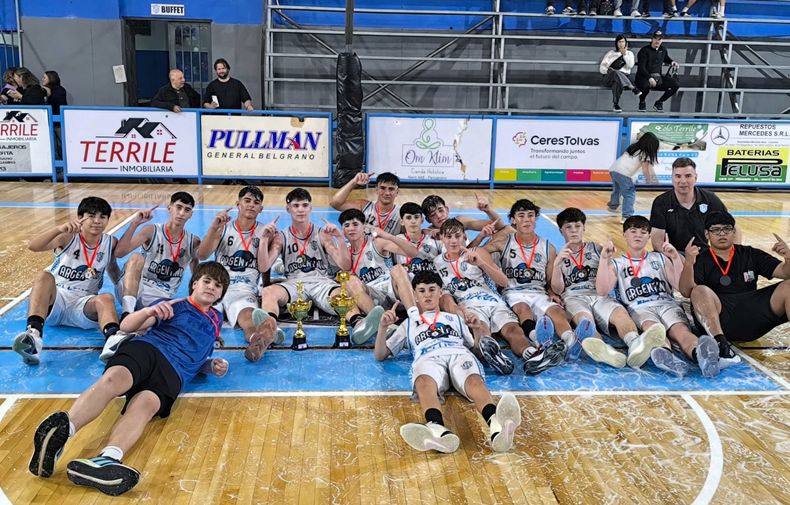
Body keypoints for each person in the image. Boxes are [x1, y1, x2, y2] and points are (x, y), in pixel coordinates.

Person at [27, 261, 231, 496]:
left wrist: (210, 366)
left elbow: (197, 357)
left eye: (218, 285)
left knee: (145, 407)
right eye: (207, 281)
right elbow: (126, 325)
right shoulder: (175, 305)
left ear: (221, 294)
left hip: (176, 373)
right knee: (113, 380)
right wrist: (149, 311)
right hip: (150, 350)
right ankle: (63, 430)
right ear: (194, 284)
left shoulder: (216, 321)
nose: (211, 287)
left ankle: (107, 459)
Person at [374, 271, 522, 454]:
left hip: (458, 353)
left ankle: (496, 425)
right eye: (422, 291)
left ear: (440, 292)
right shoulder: (409, 324)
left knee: (473, 381)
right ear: (415, 296)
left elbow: (476, 351)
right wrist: (382, 327)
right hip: (428, 357)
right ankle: (437, 429)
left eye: (432, 289)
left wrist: (477, 331)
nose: (427, 295)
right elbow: (380, 354)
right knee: (423, 382)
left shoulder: (456, 319)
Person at [252, 188, 385, 350]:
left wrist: (339, 237)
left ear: (310, 208)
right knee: (268, 292)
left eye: (304, 205)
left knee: (342, 294)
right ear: (288, 209)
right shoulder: (281, 236)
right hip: (294, 284)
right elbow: (264, 266)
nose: (300, 209)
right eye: (296, 206)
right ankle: (270, 327)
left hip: (322, 282)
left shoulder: (323, 234)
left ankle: (358, 324)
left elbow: (345, 265)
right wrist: (264, 239)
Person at [596, 216, 721, 378]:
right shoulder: (617, 263)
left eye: (643, 232)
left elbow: (680, 286)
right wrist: (603, 259)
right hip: (639, 308)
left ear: (649, 236)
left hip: (667, 304)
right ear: (624, 235)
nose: (638, 235)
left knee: (680, 331)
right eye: (633, 231)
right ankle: (665, 355)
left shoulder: (660, 258)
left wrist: (675, 258)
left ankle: (701, 354)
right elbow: (602, 290)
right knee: (653, 330)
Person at [12, 197, 125, 366]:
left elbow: (113, 269)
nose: (97, 221)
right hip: (57, 300)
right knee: (44, 276)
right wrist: (58, 229)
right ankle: (34, 337)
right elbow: (33, 246)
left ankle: (112, 341)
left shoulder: (110, 242)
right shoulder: (68, 237)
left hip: (84, 304)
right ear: (80, 217)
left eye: (102, 217)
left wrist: (128, 300)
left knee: (106, 298)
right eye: (91, 216)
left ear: (108, 219)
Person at [551, 208, 667, 368]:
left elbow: (610, 275)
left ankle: (635, 344)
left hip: (600, 295)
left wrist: (607, 256)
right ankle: (604, 350)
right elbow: (557, 289)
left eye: (577, 226)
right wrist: (557, 265)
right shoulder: (558, 255)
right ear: (560, 231)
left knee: (620, 313)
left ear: (584, 228)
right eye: (568, 227)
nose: (573, 230)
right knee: (585, 321)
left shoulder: (597, 248)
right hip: (574, 297)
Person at [484, 200, 587, 369]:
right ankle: (539, 340)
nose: (526, 220)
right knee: (523, 309)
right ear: (513, 220)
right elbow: (477, 252)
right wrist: (483, 239)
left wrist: (552, 292)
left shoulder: (548, 248)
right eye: (521, 215)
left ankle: (570, 341)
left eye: (530, 215)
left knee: (557, 312)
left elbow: (550, 279)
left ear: (536, 218)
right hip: (513, 292)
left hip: (538, 292)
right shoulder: (503, 243)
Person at [680, 211, 789, 357]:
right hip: (720, 319)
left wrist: (788, 258)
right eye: (715, 230)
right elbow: (686, 292)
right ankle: (720, 343)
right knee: (699, 291)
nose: (722, 234)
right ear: (707, 234)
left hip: (752, 314)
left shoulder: (750, 253)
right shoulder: (700, 259)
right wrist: (688, 263)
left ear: (734, 232)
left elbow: (785, 273)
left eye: (727, 229)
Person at [197, 186, 278, 361]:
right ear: (238, 204)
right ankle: (196, 342)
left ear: (261, 208)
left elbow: (265, 266)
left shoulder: (265, 232)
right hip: (217, 285)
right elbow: (202, 255)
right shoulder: (223, 228)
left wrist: (266, 286)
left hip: (244, 288)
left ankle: (256, 342)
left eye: (256, 202)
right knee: (201, 319)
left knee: (248, 319)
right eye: (247, 201)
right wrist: (213, 228)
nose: (251, 205)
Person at [433, 218, 521, 376]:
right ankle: (495, 357)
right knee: (482, 331)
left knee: (514, 331)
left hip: (493, 301)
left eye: (457, 236)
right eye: (449, 236)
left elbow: (503, 282)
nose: (453, 241)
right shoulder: (437, 263)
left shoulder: (477, 252)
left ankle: (533, 354)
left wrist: (481, 263)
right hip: (470, 306)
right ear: (442, 238)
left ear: (464, 237)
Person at [337, 208, 421, 344]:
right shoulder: (344, 251)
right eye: (346, 225)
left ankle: (415, 318)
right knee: (348, 279)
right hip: (372, 296)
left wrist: (387, 235)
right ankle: (381, 322)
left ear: (364, 227)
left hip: (393, 289)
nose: (351, 228)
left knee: (398, 269)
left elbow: (413, 252)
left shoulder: (377, 242)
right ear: (342, 229)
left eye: (355, 224)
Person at [111, 192, 200, 319]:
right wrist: (135, 223)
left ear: (191, 214)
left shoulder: (193, 241)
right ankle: (127, 314)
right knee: (136, 257)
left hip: (161, 298)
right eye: (178, 207)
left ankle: (136, 319)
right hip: (134, 290)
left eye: (187, 210)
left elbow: (197, 271)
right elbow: (119, 253)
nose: (181, 213)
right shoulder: (152, 231)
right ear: (169, 208)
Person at [649, 157, 735, 253]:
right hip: (672, 254)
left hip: (702, 254)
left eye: (688, 176)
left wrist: (734, 254)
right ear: (672, 178)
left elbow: (733, 228)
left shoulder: (710, 199)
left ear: (695, 178)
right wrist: (676, 257)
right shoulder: (661, 202)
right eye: (678, 176)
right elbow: (657, 243)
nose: (683, 181)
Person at [330, 172, 402, 236]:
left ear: (397, 192)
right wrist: (353, 183)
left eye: (391, 189)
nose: (387, 193)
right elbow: (335, 203)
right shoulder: (364, 206)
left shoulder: (401, 214)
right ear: (376, 190)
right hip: (363, 246)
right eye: (382, 188)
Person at [607, 132, 659, 221]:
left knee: (617, 189)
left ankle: (613, 207)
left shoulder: (633, 148)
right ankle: (627, 216)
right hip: (624, 173)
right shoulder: (645, 153)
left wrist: (654, 179)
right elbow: (645, 169)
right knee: (630, 194)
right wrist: (649, 180)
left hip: (613, 169)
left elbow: (649, 168)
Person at [635, 31, 679, 112]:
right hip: (643, 78)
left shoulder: (663, 49)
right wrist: (649, 78)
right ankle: (642, 101)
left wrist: (672, 62)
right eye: (655, 38)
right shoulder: (644, 50)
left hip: (657, 78)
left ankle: (659, 102)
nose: (657, 41)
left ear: (662, 40)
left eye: (659, 39)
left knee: (675, 85)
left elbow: (666, 58)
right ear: (652, 39)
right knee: (646, 86)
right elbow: (641, 68)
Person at [600, 34, 639, 113]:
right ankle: (631, 87)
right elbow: (602, 68)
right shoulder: (611, 53)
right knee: (615, 73)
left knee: (617, 82)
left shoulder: (629, 54)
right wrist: (608, 70)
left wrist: (624, 55)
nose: (621, 44)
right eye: (619, 42)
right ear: (616, 43)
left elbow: (630, 66)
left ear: (626, 43)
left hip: (622, 78)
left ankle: (616, 104)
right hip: (609, 77)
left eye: (623, 42)